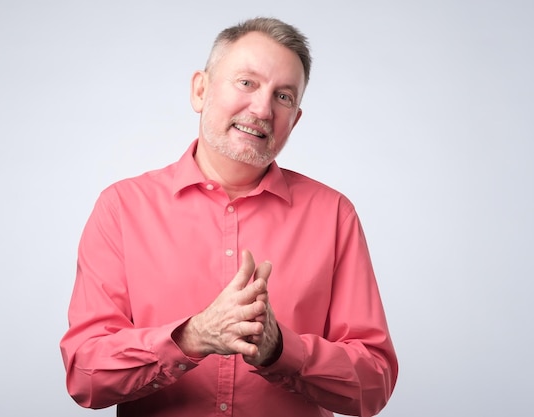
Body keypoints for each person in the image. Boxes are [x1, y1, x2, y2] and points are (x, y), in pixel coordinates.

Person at [60, 17, 398, 417]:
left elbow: (373, 385)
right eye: (246, 83)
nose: (262, 108)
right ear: (200, 90)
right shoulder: (121, 207)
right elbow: (85, 375)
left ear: (295, 120)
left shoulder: (334, 215)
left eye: (284, 96)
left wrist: (282, 350)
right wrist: (190, 338)